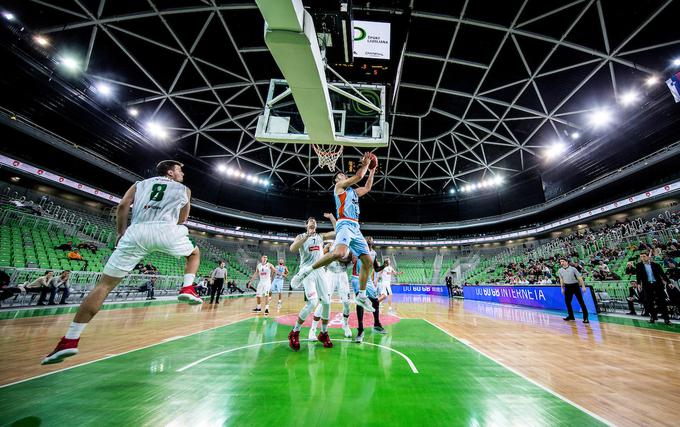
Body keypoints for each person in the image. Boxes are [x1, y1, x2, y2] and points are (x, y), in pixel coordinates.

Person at [41, 160, 203, 365]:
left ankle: (70, 340)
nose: (182, 174)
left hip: (136, 231)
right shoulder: (184, 189)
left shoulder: (139, 184)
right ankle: (187, 288)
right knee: (194, 253)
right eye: (180, 170)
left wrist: (121, 232)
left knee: (104, 286)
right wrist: (170, 226)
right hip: (165, 229)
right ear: (170, 172)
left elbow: (122, 206)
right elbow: (183, 217)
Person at [290, 152, 376, 313]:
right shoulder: (339, 188)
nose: (343, 176)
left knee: (368, 262)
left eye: (344, 174)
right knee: (339, 252)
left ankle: (362, 296)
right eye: (340, 176)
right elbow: (358, 176)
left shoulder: (354, 192)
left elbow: (368, 187)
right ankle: (306, 271)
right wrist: (366, 164)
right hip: (344, 223)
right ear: (337, 181)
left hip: (355, 227)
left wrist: (372, 170)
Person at [287, 215, 336, 351]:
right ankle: (295, 332)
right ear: (306, 225)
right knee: (313, 302)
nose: (313, 223)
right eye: (310, 222)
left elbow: (337, 232)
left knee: (326, 302)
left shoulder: (320, 237)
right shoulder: (301, 236)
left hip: (320, 271)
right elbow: (292, 249)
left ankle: (324, 333)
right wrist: (306, 237)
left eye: (314, 222)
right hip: (307, 271)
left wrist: (332, 218)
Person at [310, 238, 353, 340]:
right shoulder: (330, 245)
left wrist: (335, 257)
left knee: (347, 303)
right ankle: (313, 329)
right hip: (330, 274)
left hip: (342, 274)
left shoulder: (347, 245)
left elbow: (350, 260)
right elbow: (322, 257)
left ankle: (345, 325)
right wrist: (332, 257)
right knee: (323, 302)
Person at [635, 253, 672, 325]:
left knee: (662, 302)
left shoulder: (656, 265)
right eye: (641, 257)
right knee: (649, 302)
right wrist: (639, 284)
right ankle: (653, 317)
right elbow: (638, 276)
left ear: (648, 257)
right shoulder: (639, 266)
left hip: (657, 285)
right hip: (647, 285)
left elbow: (662, 274)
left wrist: (669, 282)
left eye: (644, 256)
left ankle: (666, 319)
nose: (642, 258)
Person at [557, 257, 589, 324]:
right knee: (567, 302)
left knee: (581, 302)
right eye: (560, 262)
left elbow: (579, 278)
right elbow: (561, 280)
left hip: (575, 286)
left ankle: (585, 317)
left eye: (563, 261)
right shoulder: (560, 270)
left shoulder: (573, 269)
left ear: (566, 262)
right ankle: (571, 316)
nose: (561, 263)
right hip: (567, 286)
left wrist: (583, 286)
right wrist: (562, 288)